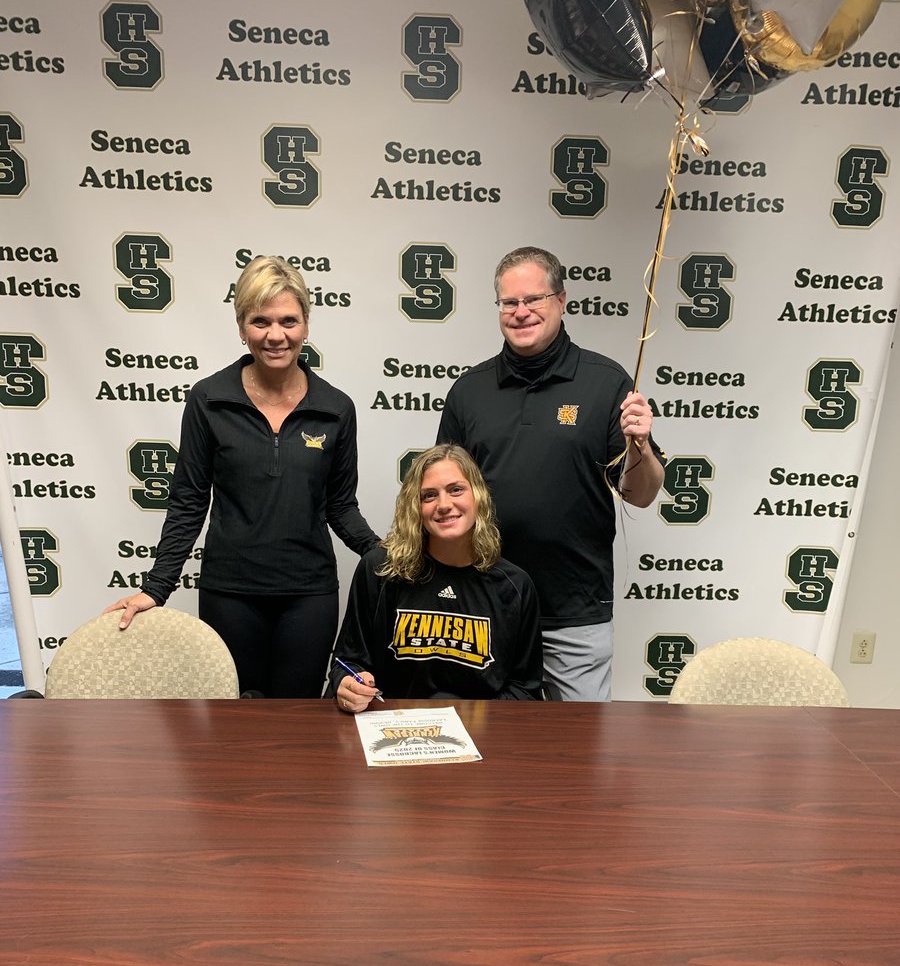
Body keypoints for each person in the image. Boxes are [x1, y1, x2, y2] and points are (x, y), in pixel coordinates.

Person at [104, 254, 379, 697]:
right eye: (260, 321)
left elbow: (341, 506)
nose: (276, 335)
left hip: (308, 597)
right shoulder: (209, 400)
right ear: (241, 326)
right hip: (230, 595)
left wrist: (386, 556)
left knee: (297, 724)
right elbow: (189, 502)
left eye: (289, 321)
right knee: (233, 728)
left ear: (306, 325)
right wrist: (156, 589)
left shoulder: (335, 408)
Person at [436, 245, 666, 702]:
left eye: (534, 300)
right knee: (484, 749)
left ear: (560, 301)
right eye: (509, 302)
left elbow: (640, 494)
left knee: (577, 754)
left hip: (574, 611)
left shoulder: (606, 382)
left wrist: (640, 446)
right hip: (484, 606)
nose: (521, 312)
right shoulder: (469, 391)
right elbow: (444, 495)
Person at [331, 443, 543, 712]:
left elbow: (525, 688)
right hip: (394, 730)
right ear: (415, 507)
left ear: (478, 495)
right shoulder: (381, 570)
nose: (444, 505)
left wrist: (470, 723)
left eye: (456, 490)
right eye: (429, 496)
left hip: (482, 737)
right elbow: (347, 661)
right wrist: (349, 684)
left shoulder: (515, 585)